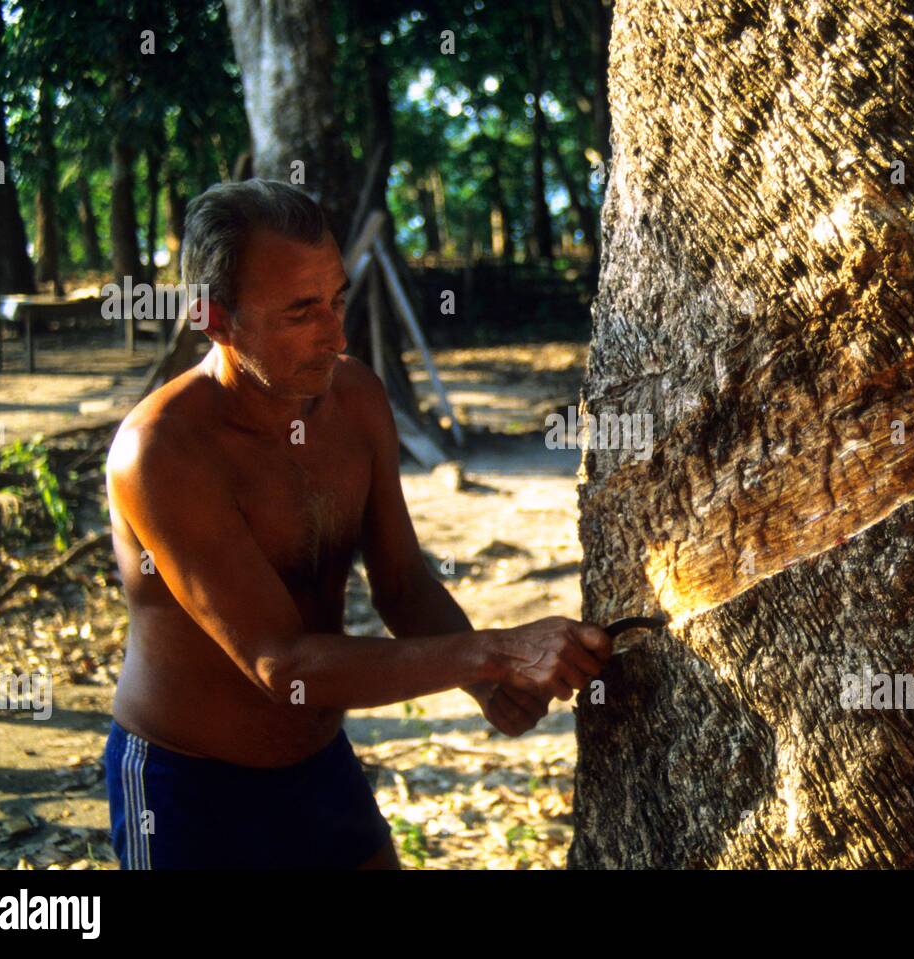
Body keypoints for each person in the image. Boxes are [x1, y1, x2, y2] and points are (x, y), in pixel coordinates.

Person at [102, 179, 611, 869]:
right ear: (213, 318)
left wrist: (485, 681)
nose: (336, 333)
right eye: (300, 312)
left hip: (319, 766)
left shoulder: (357, 400)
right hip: (188, 783)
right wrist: (496, 652)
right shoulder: (160, 452)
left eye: (337, 298)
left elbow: (402, 584)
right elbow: (280, 664)